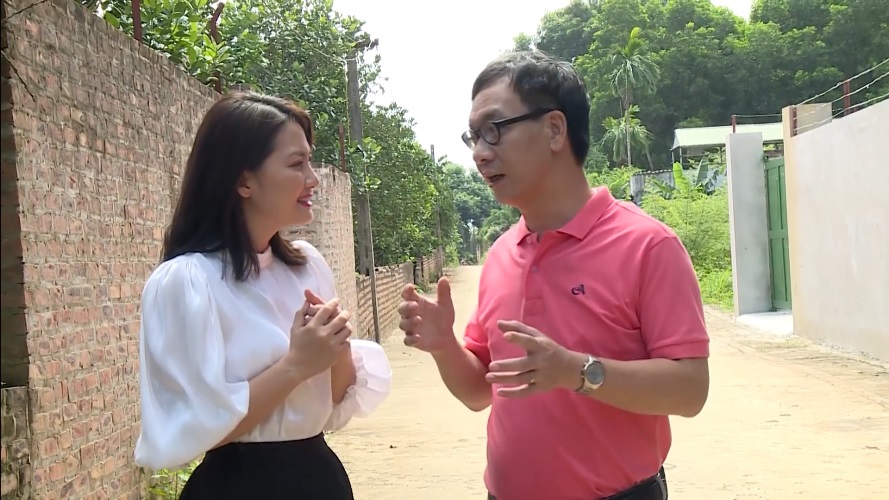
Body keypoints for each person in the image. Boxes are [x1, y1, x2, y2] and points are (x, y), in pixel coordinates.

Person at [398, 51, 710, 500]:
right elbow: (479, 392)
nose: (480, 154)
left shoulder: (647, 245)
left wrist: (576, 371)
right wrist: (444, 346)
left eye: (494, 129)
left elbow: (690, 391)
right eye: (474, 137)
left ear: (555, 129)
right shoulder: (502, 254)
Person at [134, 92, 392, 499]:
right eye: (296, 164)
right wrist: (296, 365)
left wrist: (335, 347)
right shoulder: (187, 282)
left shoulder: (307, 265)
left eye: (309, 161)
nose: (313, 178)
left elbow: (333, 402)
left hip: (320, 479)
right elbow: (198, 429)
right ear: (243, 181)